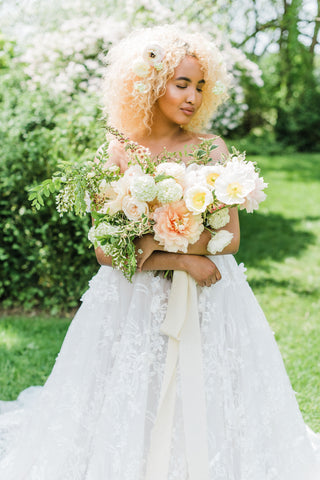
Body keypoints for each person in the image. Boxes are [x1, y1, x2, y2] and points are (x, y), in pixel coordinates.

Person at [0, 24, 319, 480]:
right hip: (134, 301)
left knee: (208, 388)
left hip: (208, 300)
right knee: (133, 389)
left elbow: (230, 237)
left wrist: (157, 242)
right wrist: (181, 257)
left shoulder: (211, 150)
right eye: (181, 83)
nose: (192, 96)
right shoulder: (120, 151)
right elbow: (106, 251)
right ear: (151, 84)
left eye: (200, 86)